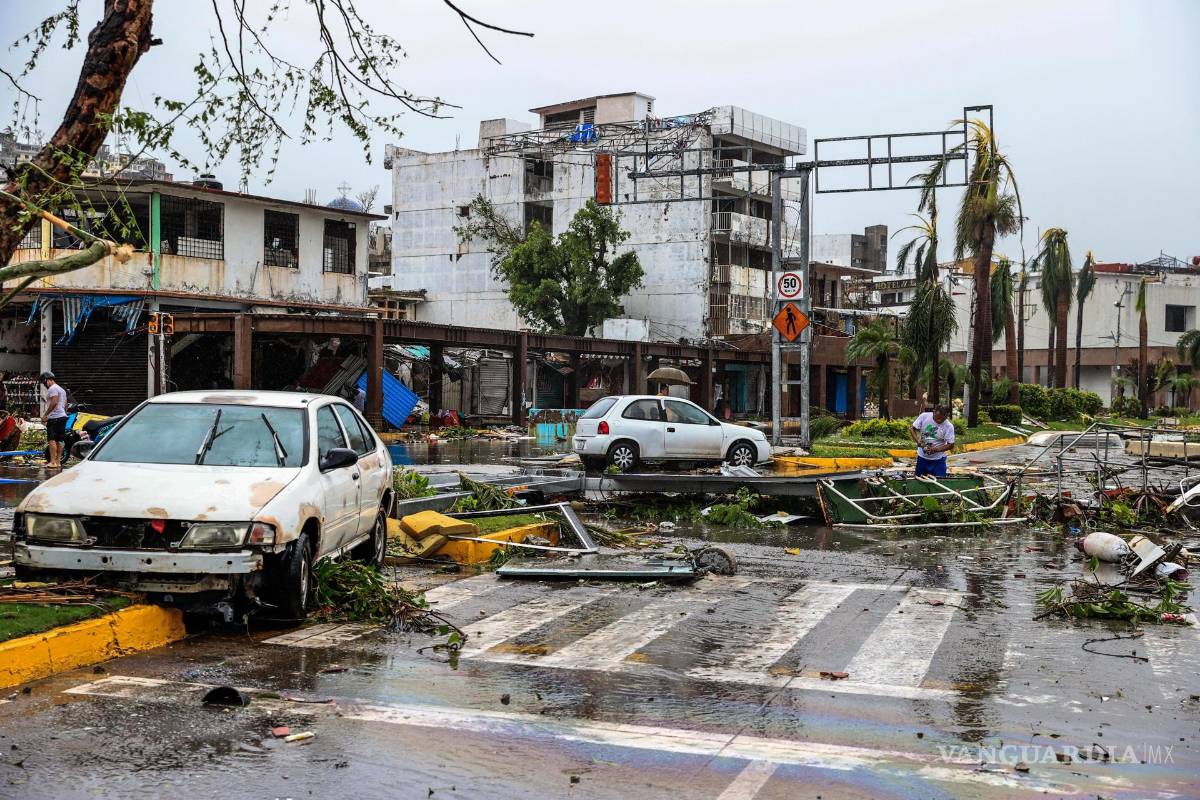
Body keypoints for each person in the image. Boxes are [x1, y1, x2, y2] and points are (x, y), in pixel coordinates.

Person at [909, 404, 954, 477]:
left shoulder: (948, 426)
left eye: (943, 419)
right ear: (934, 412)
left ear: (947, 416)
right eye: (938, 418)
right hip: (922, 458)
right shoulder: (924, 416)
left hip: (938, 460)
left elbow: (951, 445)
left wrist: (936, 449)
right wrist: (918, 441)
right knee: (920, 480)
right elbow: (912, 429)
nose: (939, 421)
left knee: (939, 481)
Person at [40, 372, 68, 469]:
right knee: (60, 439)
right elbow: (65, 404)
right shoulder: (61, 389)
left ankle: (52, 462)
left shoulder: (53, 388)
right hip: (62, 416)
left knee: (51, 439)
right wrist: (63, 413)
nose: (44, 385)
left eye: (44, 382)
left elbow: (54, 402)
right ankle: (58, 462)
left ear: (47, 380)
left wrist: (46, 415)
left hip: (54, 418)